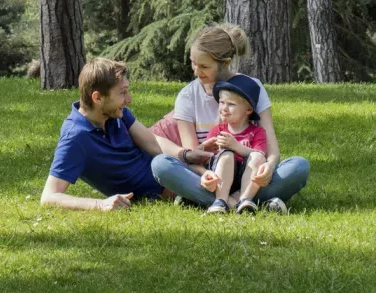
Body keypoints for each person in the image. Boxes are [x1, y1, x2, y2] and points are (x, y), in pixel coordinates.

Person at [149, 23, 310, 214]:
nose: (196, 71)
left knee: (299, 166)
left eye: (204, 66)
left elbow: (272, 150)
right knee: (160, 165)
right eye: (193, 63)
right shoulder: (187, 96)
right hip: (213, 177)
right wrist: (205, 174)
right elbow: (194, 156)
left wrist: (269, 167)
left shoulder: (252, 87)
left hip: (250, 173)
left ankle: (219, 202)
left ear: (225, 63)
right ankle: (245, 204)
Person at [40, 57, 210, 211]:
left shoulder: (116, 114)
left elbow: (153, 143)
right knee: (165, 163)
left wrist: (186, 154)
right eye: (122, 93)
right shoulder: (76, 137)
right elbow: (49, 196)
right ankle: (226, 199)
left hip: (172, 166)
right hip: (166, 185)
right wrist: (101, 204)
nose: (129, 99)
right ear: (97, 97)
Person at [201, 75, 268, 214]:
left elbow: (261, 156)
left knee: (257, 157)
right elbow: (206, 158)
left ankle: (245, 201)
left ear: (248, 110)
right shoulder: (218, 131)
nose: (224, 108)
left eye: (230, 104)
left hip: (246, 181)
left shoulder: (257, 132)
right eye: (221, 102)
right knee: (226, 154)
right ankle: (221, 201)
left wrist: (236, 146)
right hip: (221, 180)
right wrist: (207, 151)